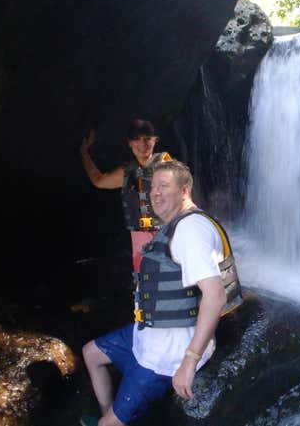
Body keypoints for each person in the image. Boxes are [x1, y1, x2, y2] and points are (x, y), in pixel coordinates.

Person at [81, 160, 243, 426]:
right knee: (91, 353)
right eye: (153, 187)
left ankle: (109, 421)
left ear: (185, 190)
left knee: (105, 425)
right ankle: (108, 413)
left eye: (164, 186)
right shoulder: (179, 224)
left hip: (166, 356)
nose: (155, 193)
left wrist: (189, 363)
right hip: (147, 336)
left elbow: (215, 296)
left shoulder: (191, 231)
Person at [80, 119, 171, 272]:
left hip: (167, 237)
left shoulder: (167, 165)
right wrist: (83, 152)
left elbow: (184, 198)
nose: (142, 145)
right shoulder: (127, 172)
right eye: (136, 139)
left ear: (155, 140)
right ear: (129, 143)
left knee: (172, 282)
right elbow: (99, 181)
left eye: (147, 139)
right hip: (140, 242)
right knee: (145, 283)